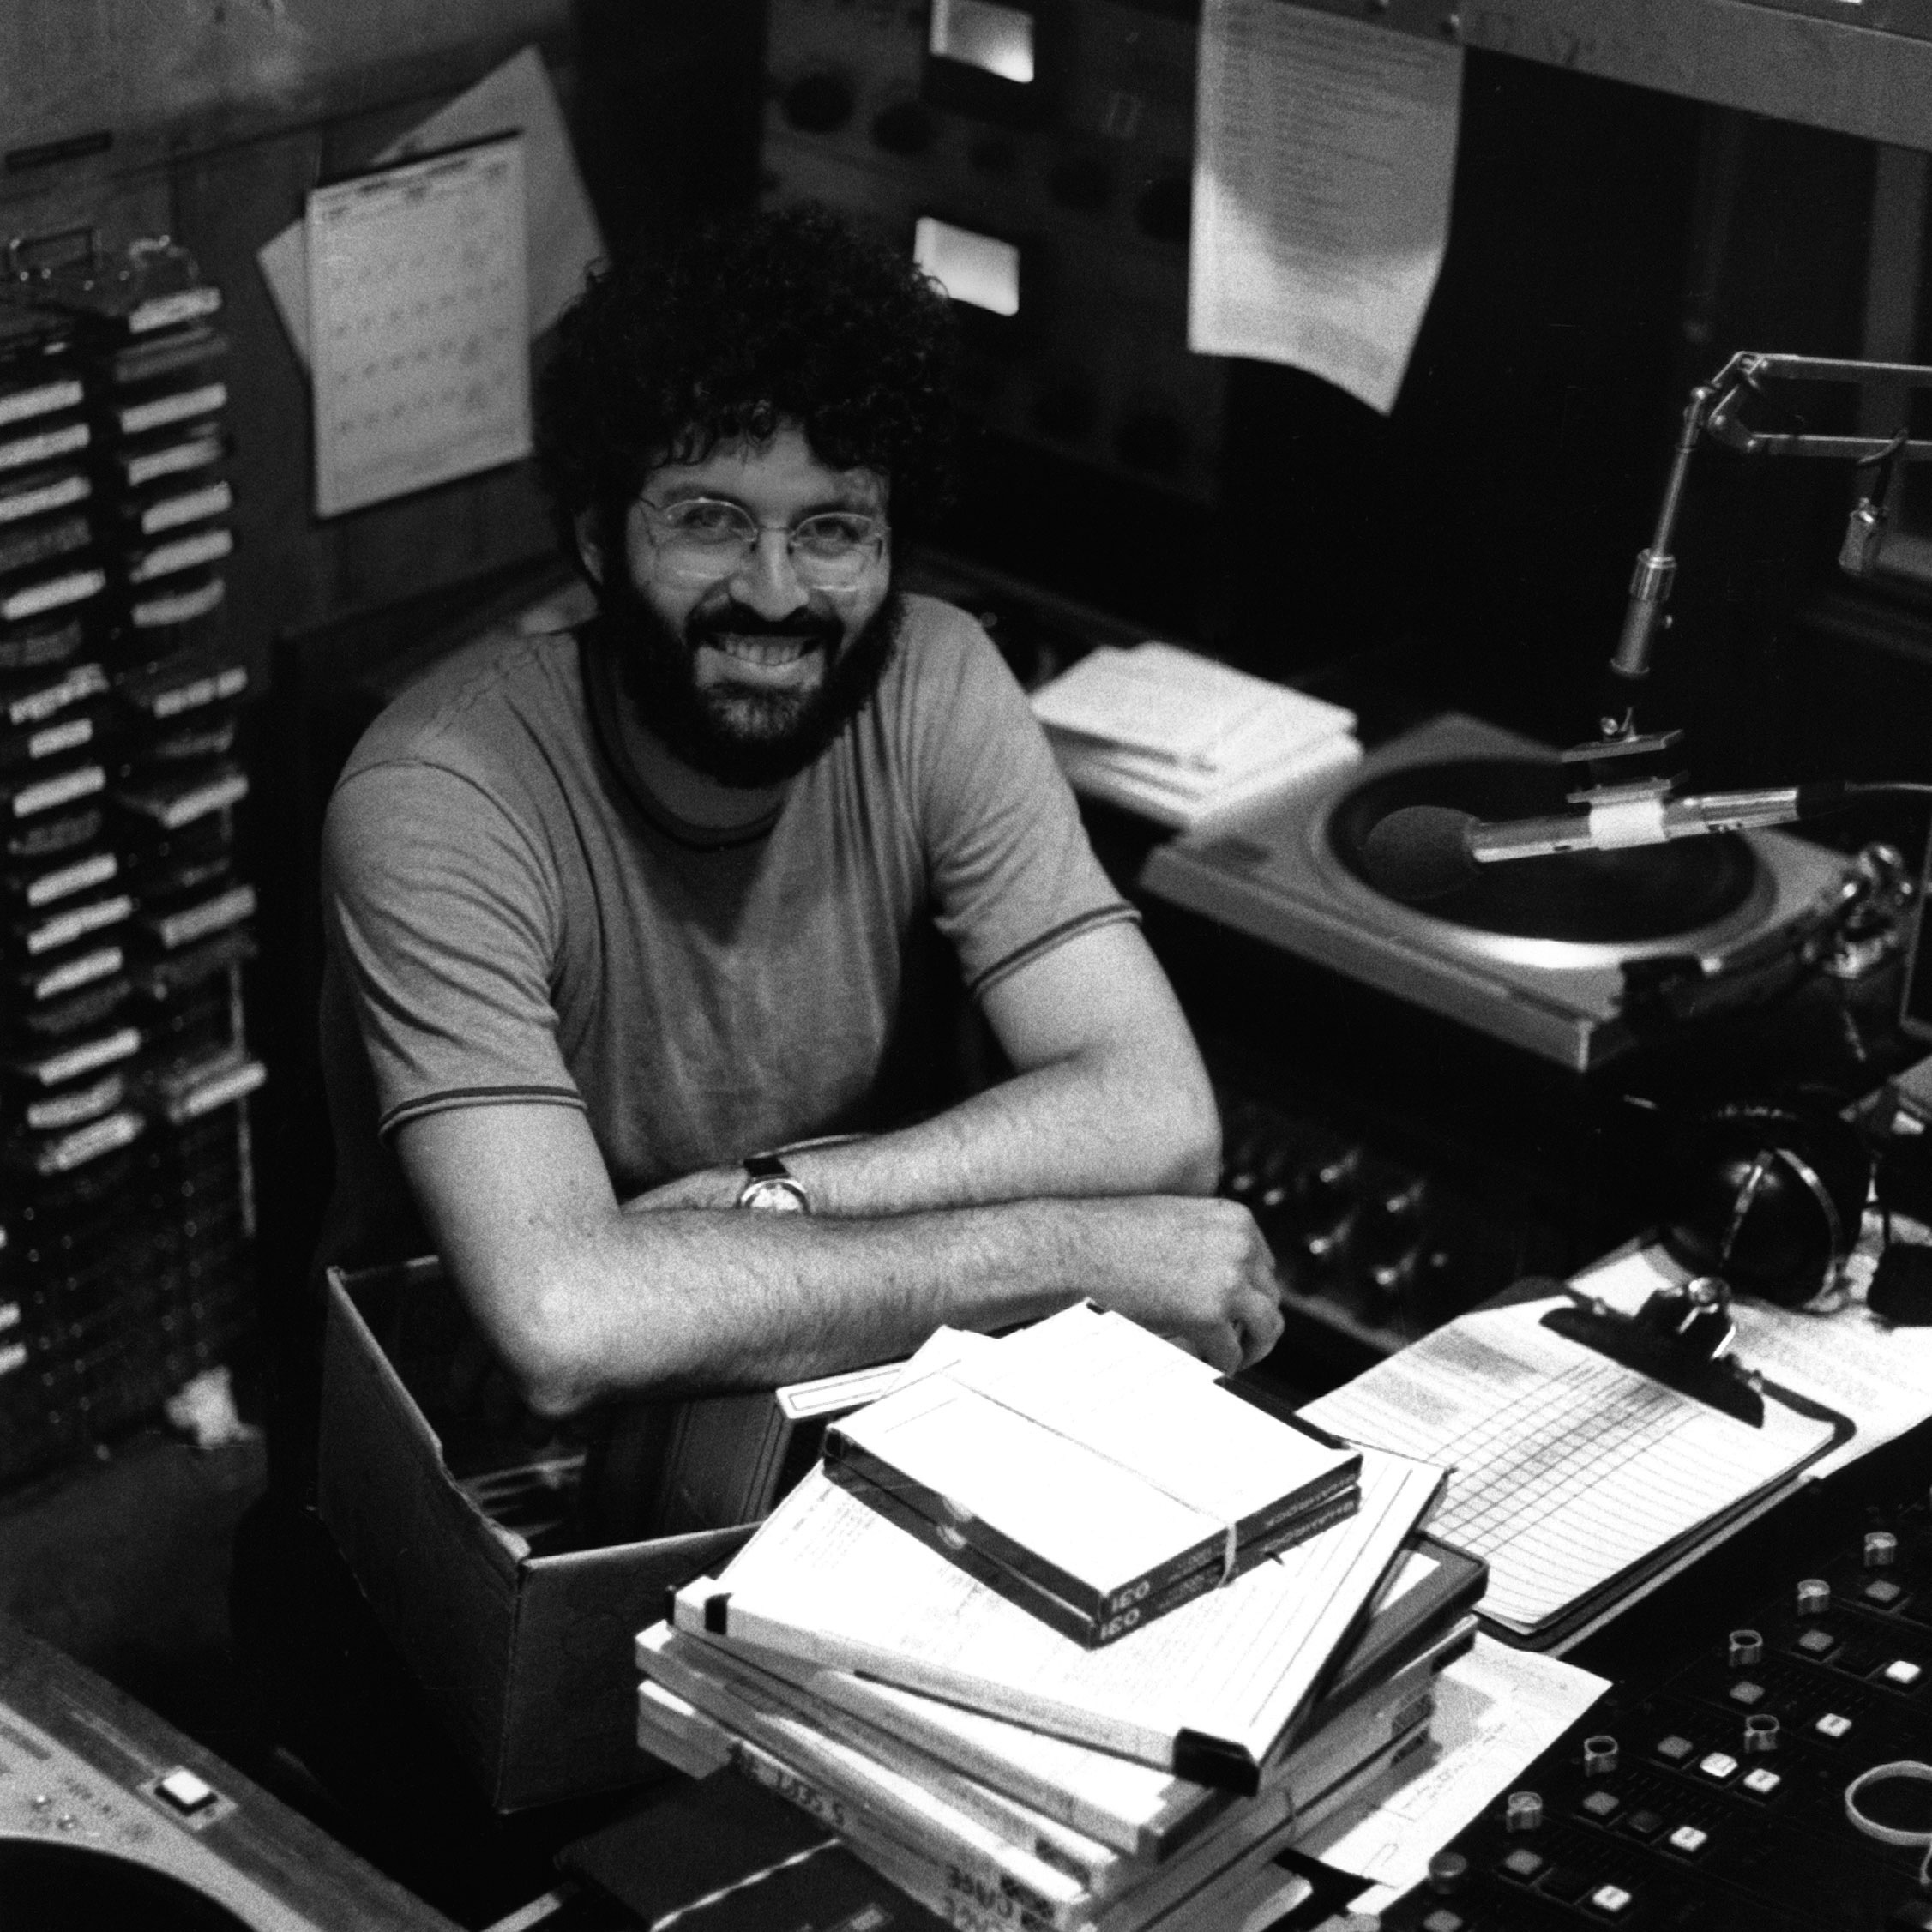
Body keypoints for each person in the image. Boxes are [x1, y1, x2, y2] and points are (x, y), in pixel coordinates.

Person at [314, 203, 1283, 1430]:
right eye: (709, 519)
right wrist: (1067, 1247)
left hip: (830, 1371)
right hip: (493, 1440)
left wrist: (765, 1196)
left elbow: (1158, 1117)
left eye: (830, 529)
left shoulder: (938, 678)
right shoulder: (441, 790)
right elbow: (563, 1324)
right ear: (597, 541)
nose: (774, 593)